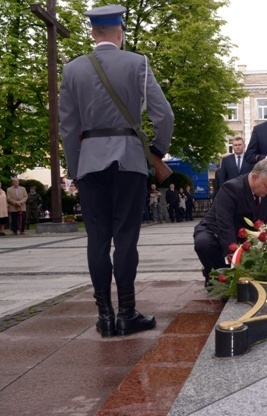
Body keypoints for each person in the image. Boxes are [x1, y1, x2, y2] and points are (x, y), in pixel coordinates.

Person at [58, 5, 174, 337]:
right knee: (126, 238)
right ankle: (127, 313)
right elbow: (163, 114)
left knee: (97, 239)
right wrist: (156, 150)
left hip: (89, 163)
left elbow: (68, 128)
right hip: (129, 162)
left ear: (93, 33)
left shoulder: (72, 70)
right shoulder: (137, 63)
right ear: (120, 32)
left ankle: (104, 318)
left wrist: (75, 167)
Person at [193, 159, 267, 286]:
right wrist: (233, 254)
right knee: (203, 244)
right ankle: (215, 276)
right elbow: (225, 224)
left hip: (246, 234)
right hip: (215, 231)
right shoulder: (231, 188)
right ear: (255, 177)